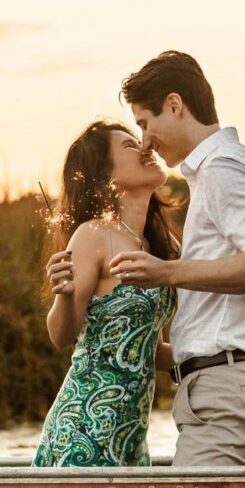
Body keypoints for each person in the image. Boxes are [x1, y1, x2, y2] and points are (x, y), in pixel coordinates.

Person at [109, 51, 245, 466]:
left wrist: (166, 272)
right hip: (222, 390)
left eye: (144, 123)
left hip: (228, 391)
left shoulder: (223, 169)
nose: (144, 141)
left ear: (174, 106)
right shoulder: (218, 171)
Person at [32, 119, 180, 467]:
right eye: (129, 145)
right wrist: (65, 295)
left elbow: (149, 350)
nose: (145, 147)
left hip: (129, 437)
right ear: (106, 175)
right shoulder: (93, 235)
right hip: (84, 428)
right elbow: (61, 335)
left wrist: (222, 361)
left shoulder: (162, 245)